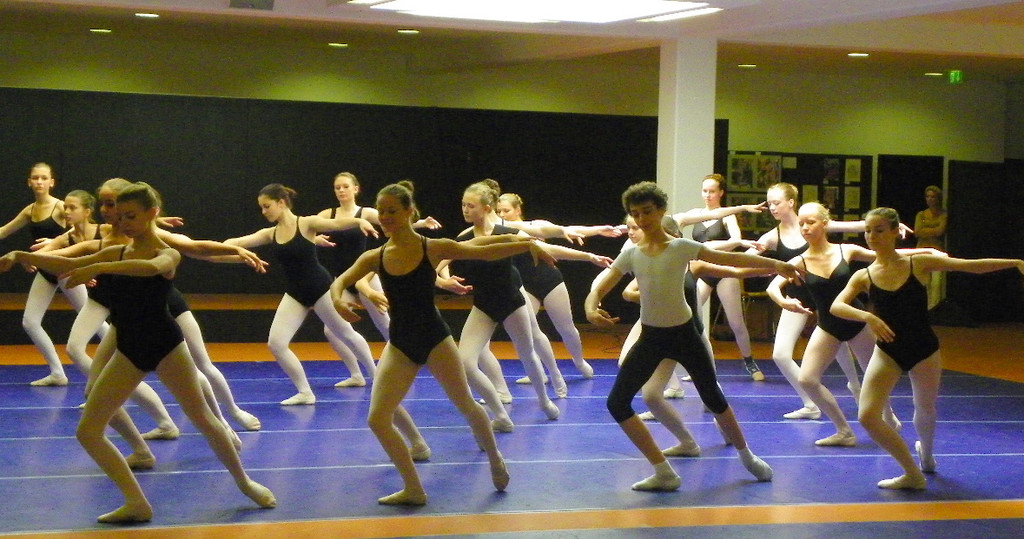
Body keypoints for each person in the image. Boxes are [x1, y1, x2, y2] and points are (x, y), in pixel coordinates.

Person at [0, 182, 276, 523]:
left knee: (203, 417)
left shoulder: (166, 253)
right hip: (129, 348)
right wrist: (22, 255)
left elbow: (151, 268)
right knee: (88, 431)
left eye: (131, 216)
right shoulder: (118, 251)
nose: (124, 222)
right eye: (120, 216)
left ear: (152, 214)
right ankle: (136, 502)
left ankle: (244, 482)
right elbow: (66, 259)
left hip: (166, 346)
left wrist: (98, 268)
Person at [329, 181, 540, 505]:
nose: (385, 217)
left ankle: (495, 457)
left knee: (466, 404)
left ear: (409, 212)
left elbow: (482, 249)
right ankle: (414, 489)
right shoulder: (376, 256)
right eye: (381, 211)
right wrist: (338, 300)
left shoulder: (432, 247)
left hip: (435, 339)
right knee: (378, 419)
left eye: (392, 211)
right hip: (401, 343)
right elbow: (342, 280)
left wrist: (526, 244)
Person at [585, 181, 798, 491]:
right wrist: (591, 307)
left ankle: (747, 455)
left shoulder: (681, 248)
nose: (642, 219)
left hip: (686, 335)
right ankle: (663, 471)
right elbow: (602, 285)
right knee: (617, 403)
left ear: (661, 211)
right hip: (651, 337)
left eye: (647, 212)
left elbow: (730, 260)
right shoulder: (631, 253)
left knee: (713, 398)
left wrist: (776, 264)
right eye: (635, 214)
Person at [832, 207, 1023, 490]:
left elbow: (969, 266)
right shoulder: (864, 275)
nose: (872, 236)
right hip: (888, 351)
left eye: (879, 230)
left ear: (895, 232)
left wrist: (1015, 262)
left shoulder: (918, 263)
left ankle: (927, 455)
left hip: (924, 349)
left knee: (925, 408)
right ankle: (912, 473)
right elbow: (837, 306)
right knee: (868, 416)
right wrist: (869, 317)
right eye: (868, 231)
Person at [750, 182, 898, 419]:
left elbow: (868, 236)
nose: (772, 207)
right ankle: (825, 410)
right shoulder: (777, 240)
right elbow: (754, 266)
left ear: (791, 202)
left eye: (776, 202)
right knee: (792, 360)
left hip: (844, 310)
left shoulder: (833, 238)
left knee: (865, 367)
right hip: (807, 302)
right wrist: (733, 253)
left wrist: (894, 230)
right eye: (769, 203)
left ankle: (867, 396)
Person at [225, 183, 379, 404]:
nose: (264, 212)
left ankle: (376, 376)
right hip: (295, 293)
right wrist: (224, 248)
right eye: (262, 208)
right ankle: (305, 392)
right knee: (276, 344)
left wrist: (358, 221)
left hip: (321, 289)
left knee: (346, 333)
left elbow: (335, 223)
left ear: (281, 203)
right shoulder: (270, 233)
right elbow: (239, 241)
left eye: (267, 206)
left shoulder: (306, 223)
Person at [315, 171, 442, 346]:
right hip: (344, 276)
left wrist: (421, 223)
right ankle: (360, 365)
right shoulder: (327, 214)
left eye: (345, 186)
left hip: (365, 274)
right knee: (331, 331)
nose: (341, 190)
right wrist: (315, 239)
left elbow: (395, 221)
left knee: (384, 324)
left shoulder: (364, 212)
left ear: (355, 189)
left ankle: (405, 350)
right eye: (337, 188)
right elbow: (304, 228)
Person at [678, 174, 764, 380]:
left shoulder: (727, 216)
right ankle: (701, 364)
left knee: (736, 322)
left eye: (712, 191)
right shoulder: (696, 214)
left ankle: (750, 362)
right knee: (691, 317)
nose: (707, 195)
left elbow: (736, 240)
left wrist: (706, 247)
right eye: (705, 191)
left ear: (721, 193)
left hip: (724, 271)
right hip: (703, 271)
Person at [0, 163, 76, 386]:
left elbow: (83, 228)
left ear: (52, 182)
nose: (39, 182)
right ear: (29, 182)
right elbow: (4, 231)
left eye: (44, 178)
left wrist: (57, 240)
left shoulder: (60, 207)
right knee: (30, 321)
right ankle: (58, 373)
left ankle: (121, 354)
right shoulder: (30, 210)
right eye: (35, 178)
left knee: (91, 317)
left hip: (65, 268)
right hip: (46, 271)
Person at [914, 185, 947, 309]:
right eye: (928, 196)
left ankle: (934, 310)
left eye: (933, 197)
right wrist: (933, 229)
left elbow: (940, 231)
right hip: (922, 250)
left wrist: (926, 230)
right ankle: (924, 309)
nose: (930, 199)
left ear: (938, 198)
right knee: (924, 283)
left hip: (937, 251)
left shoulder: (943, 214)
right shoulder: (921, 214)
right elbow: (917, 232)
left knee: (936, 284)